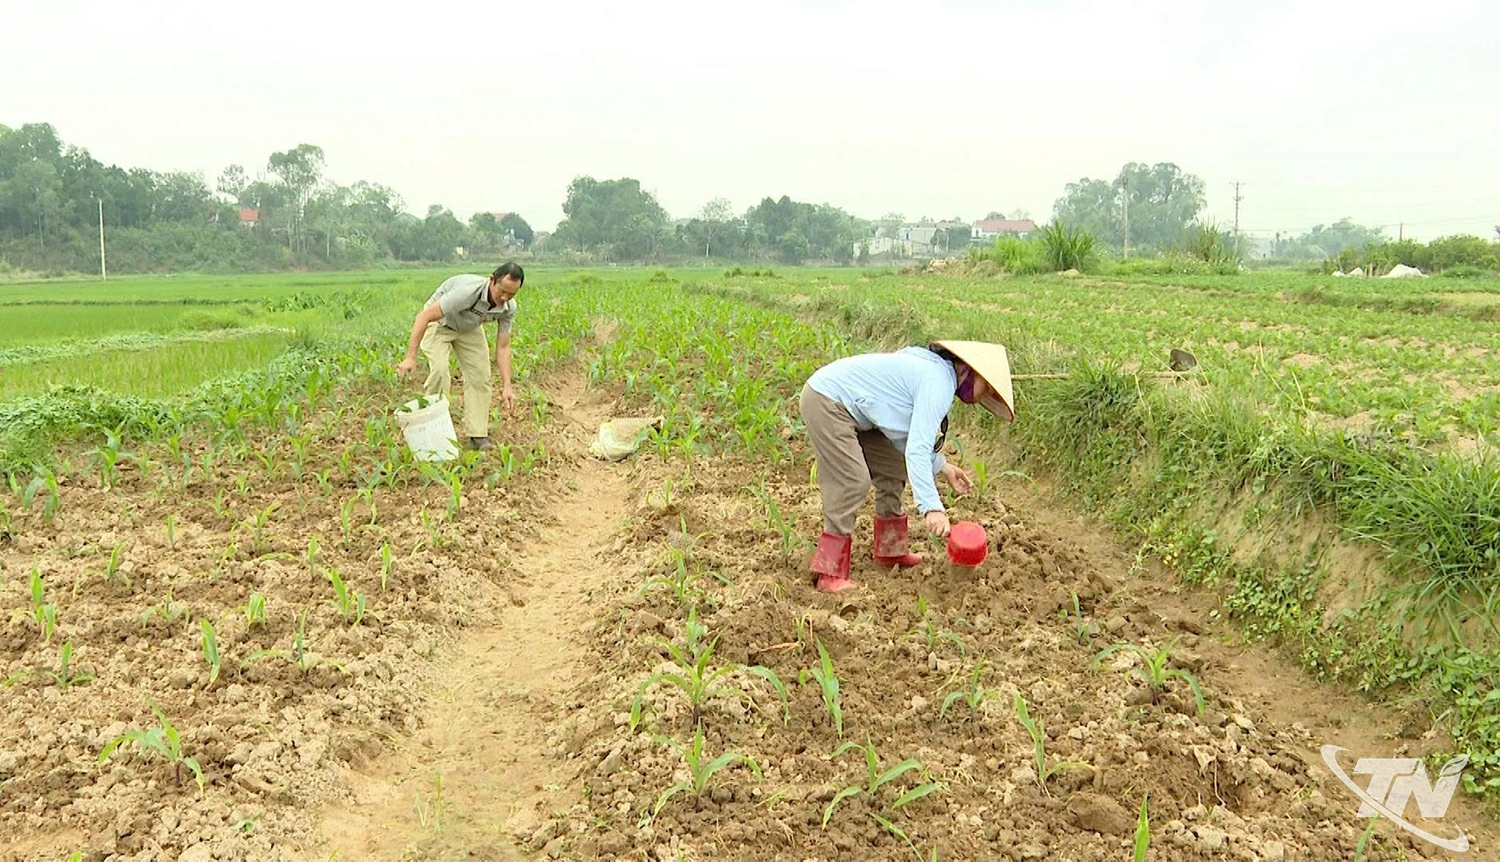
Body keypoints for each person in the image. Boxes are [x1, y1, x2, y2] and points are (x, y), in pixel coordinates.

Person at [799, 340, 1015, 594]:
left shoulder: (934, 371)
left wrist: (943, 466)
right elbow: (917, 449)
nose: (983, 395)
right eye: (986, 386)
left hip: (857, 410)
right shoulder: (939, 382)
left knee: (893, 466)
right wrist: (932, 508)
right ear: (969, 370)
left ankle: (891, 551)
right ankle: (829, 571)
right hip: (827, 400)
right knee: (852, 481)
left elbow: (903, 434)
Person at [396, 262, 524, 450]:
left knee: (480, 377)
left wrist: (507, 386)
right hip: (439, 323)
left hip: (469, 328)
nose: (504, 298)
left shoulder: (508, 307)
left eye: (511, 294)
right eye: (502, 291)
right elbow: (424, 316)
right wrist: (410, 357)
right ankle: (433, 432)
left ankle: (478, 435)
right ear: (491, 280)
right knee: (440, 371)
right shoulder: (466, 292)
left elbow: (503, 347)